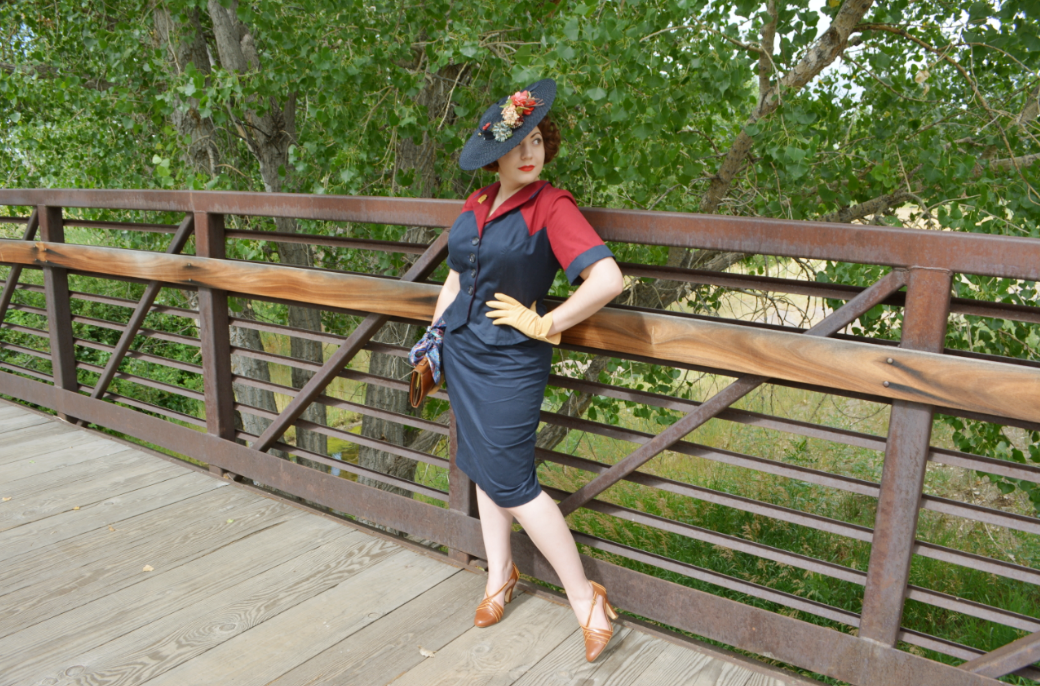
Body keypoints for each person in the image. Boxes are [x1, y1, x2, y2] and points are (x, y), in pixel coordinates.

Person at [425, 78, 625, 662]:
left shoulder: (552, 205)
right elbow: (456, 277)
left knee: (513, 481)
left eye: (536, 140)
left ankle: (585, 598)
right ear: (496, 156)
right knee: (483, 466)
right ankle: (499, 576)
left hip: (511, 361)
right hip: (463, 353)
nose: (529, 152)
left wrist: (547, 323)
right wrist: (434, 339)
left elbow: (607, 279)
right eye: (516, 145)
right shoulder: (476, 204)